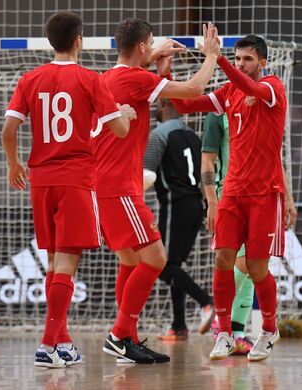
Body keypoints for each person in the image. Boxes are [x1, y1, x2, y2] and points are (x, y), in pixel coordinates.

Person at [1, 11, 136, 369]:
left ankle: (62, 342)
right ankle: (47, 344)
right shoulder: (91, 79)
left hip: (40, 180)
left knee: (53, 263)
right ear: (79, 40)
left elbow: (9, 128)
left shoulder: (30, 79)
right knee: (67, 263)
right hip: (76, 178)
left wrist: (14, 164)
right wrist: (125, 112)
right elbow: (120, 130)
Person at [93, 18, 221, 364]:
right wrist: (210, 56)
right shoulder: (133, 78)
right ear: (141, 48)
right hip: (120, 187)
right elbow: (194, 90)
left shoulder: (109, 78)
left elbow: (148, 92)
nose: (156, 47)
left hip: (107, 185)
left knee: (130, 261)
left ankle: (128, 340)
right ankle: (119, 335)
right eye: (152, 44)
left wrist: (162, 70)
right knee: (156, 260)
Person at [172, 35, 291, 361]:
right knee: (223, 260)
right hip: (232, 193)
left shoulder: (272, 88)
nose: (240, 64)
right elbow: (185, 104)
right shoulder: (227, 93)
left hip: (265, 194)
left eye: (247, 59)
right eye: (236, 59)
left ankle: (269, 328)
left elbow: (252, 90)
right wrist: (165, 75)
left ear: (263, 62)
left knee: (256, 268)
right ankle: (224, 332)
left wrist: (218, 59)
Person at [202, 112, 297, 355]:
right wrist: (212, 201)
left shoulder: (263, 108)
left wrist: (287, 197)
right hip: (228, 197)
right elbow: (207, 161)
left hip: (261, 198)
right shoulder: (217, 113)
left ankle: (237, 330)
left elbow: (273, 157)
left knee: (252, 267)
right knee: (233, 262)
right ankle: (221, 324)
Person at [144, 98, 214, 342]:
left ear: (163, 105)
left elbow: (146, 176)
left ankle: (206, 302)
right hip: (196, 204)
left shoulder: (158, 135)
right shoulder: (193, 136)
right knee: (174, 264)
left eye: (155, 104)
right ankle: (179, 325)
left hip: (176, 204)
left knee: (160, 265)